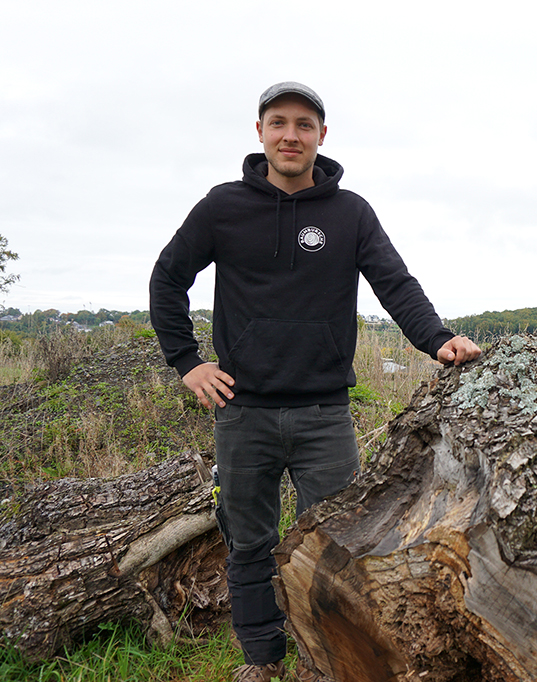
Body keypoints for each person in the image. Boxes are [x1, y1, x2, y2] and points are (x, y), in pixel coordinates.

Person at [149, 81, 480, 682]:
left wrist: (438, 339)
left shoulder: (349, 212)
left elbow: (394, 283)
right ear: (259, 132)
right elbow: (167, 279)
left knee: (334, 547)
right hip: (242, 411)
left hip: (324, 415)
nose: (291, 135)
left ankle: (323, 662)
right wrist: (187, 362)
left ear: (321, 136)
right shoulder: (223, 207)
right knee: (248, 543)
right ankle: (262, 660)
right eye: (279, 123)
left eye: (304, 125)